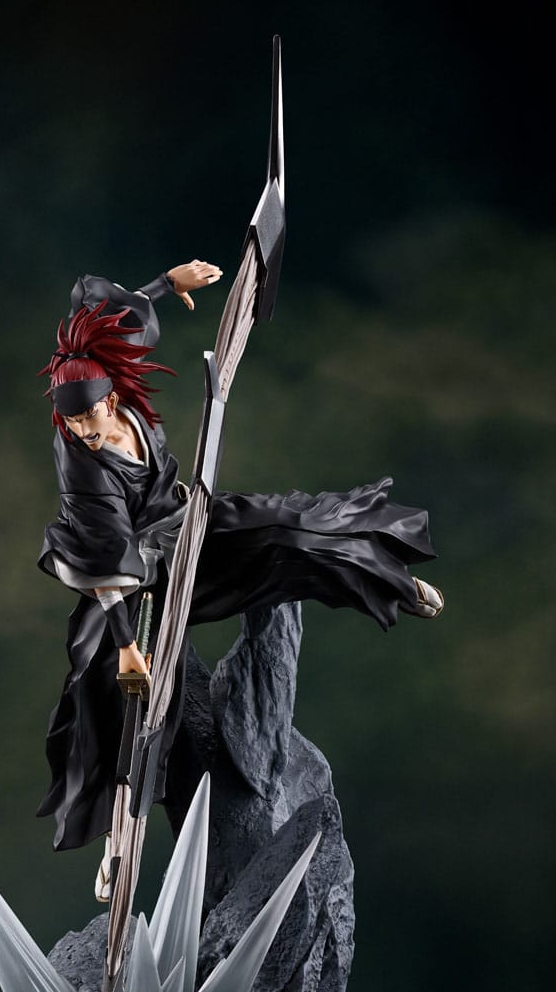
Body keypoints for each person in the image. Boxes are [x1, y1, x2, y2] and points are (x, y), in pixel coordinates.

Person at [36, 261, 442, 894]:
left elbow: (118, 316)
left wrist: (167, 285)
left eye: (89, 418)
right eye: (72, 424)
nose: (84, 433)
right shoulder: (82, 467)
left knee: (285, 523)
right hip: (129, 584)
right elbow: (106, 561)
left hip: (185, 524)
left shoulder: (111, 376)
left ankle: (382, 570)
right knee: (130, 712)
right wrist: (128, 648)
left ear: (110, 396)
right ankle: (118, 846)